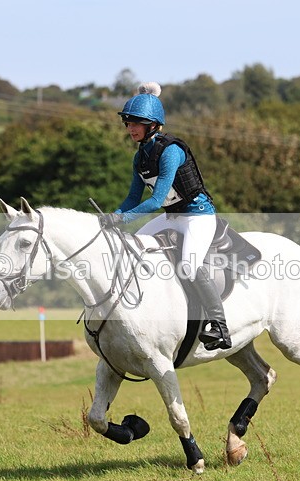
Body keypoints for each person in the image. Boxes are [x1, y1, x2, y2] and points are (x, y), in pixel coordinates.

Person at [99, 82, 231, 350]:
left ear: (153, 125)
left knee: (190, 265)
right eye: (128, 122)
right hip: (173, 217)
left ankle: (219, 326)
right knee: (132, 249)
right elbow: (133, 200)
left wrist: (120, 219)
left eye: (137, 122)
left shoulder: (171, 150)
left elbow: (155, 201)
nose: (130, 128)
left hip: (198, 216)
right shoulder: (141, 157)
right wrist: (111, 216)